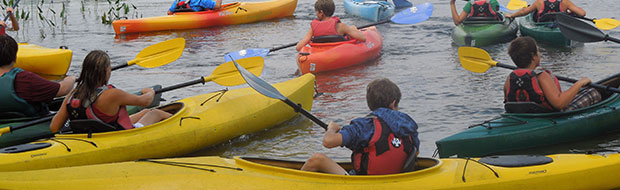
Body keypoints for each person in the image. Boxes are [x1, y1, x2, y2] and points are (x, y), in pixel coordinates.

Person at [301, 78, 419, 175]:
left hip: (365, 182)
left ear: (370, 104)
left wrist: (332, 129)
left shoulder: (364, 126)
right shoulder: (409, 124)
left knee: (316, 160)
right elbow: (415, 153)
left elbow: (328, 141)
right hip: (397, 178)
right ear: (393, 103)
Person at [50, 50, 172, 133]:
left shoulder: (73, 95)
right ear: (106, 70)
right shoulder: (113, 94)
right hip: (117, 135)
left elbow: (54, 127)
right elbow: (146, 101)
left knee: (144, 112)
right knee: (155, 113)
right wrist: (149, 91)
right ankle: (185, 124)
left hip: (89, 136)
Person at [504, 37, 600, 111]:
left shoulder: (510, 78)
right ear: (533, 56)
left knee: (577, 92)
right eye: (538, 50)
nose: (539, 53)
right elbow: (559, 104)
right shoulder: (541, 75)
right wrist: (579, 83)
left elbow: (508, 104)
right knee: (592, 92)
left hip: (523, 115)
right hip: (549, 116)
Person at [0, 35, 75, 117]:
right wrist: (71, 78)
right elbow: (63, 89)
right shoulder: (24, 79)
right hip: (28, 124)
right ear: (15, 57)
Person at [295, 0, 366, 52]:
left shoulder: (313, 28)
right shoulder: (341, 26)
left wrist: (310, 40)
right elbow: (363, 38)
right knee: (352, 27)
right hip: (339, 53)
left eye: (316, 11)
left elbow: (299, 47)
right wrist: (355, 29)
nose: (316, 13)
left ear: (321, 12)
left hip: (321, 54)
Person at [505, 0, 585, 22]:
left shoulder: (539, 2)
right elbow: (582, 13)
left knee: (534, 13)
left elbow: (524, 12)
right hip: (559, 25)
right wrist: (570, 12)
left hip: (542, 25)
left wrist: (512, 15)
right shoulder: (565, 2)